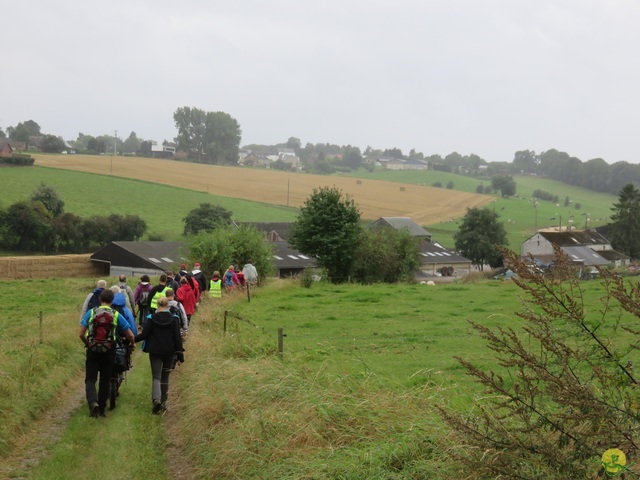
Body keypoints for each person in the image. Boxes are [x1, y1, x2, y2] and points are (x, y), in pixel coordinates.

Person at [79, 289, 135, 417]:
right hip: (109, 350)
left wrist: (88, 343)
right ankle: (102, 409)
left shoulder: (92, 312)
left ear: (100, 300)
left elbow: (81, 333)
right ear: (112, 301)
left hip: (92, 350)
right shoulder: (115, 314)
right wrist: (132, 343)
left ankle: (93, 403)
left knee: (90, 379)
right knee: (105, 380)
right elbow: (130, 334)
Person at [134, 296, 184, 414]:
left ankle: (156, 400)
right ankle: (163, 403)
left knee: (156, 376)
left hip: (155, 351)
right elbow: (177, 338)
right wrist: (180, 354)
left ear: (157, 305)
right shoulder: (174, 319)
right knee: (165, 376)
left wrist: (131, 340)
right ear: (168, 306)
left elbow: (144, 334)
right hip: (169, 351)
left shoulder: (151, 318)